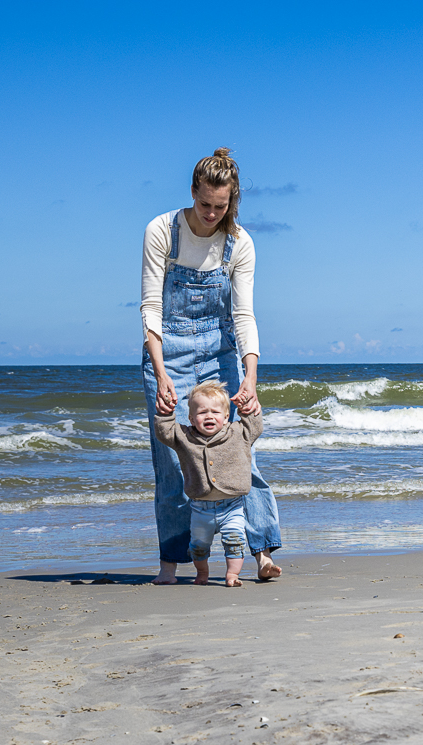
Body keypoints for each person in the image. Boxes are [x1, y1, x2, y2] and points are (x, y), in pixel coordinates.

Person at [141, 148, 282, 585]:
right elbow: (149, 307)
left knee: (240, 455)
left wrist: (251, 376)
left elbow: (243, 315)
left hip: (221, 354)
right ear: (193, 193)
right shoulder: (162, 230)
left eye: (221, 207)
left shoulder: (240, 242)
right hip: (170, 353)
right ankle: (173, 562)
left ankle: (261, 554)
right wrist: (161, 373)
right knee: (172, 460)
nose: (211, 214)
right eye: (205, 205)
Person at [153, 381, 262, 588]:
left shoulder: (238, 433)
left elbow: (255, 426)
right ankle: (202, 573)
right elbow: (164, 432)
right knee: (199, 547)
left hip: (232, 505)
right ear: (192, 418)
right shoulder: (185, 436)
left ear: (226, 416)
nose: (209, 416)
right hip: (200, 508)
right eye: (202, 412)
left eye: (215, 412)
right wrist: (165, 413)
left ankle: (232, 575)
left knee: (235, 540)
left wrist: (246, 407)